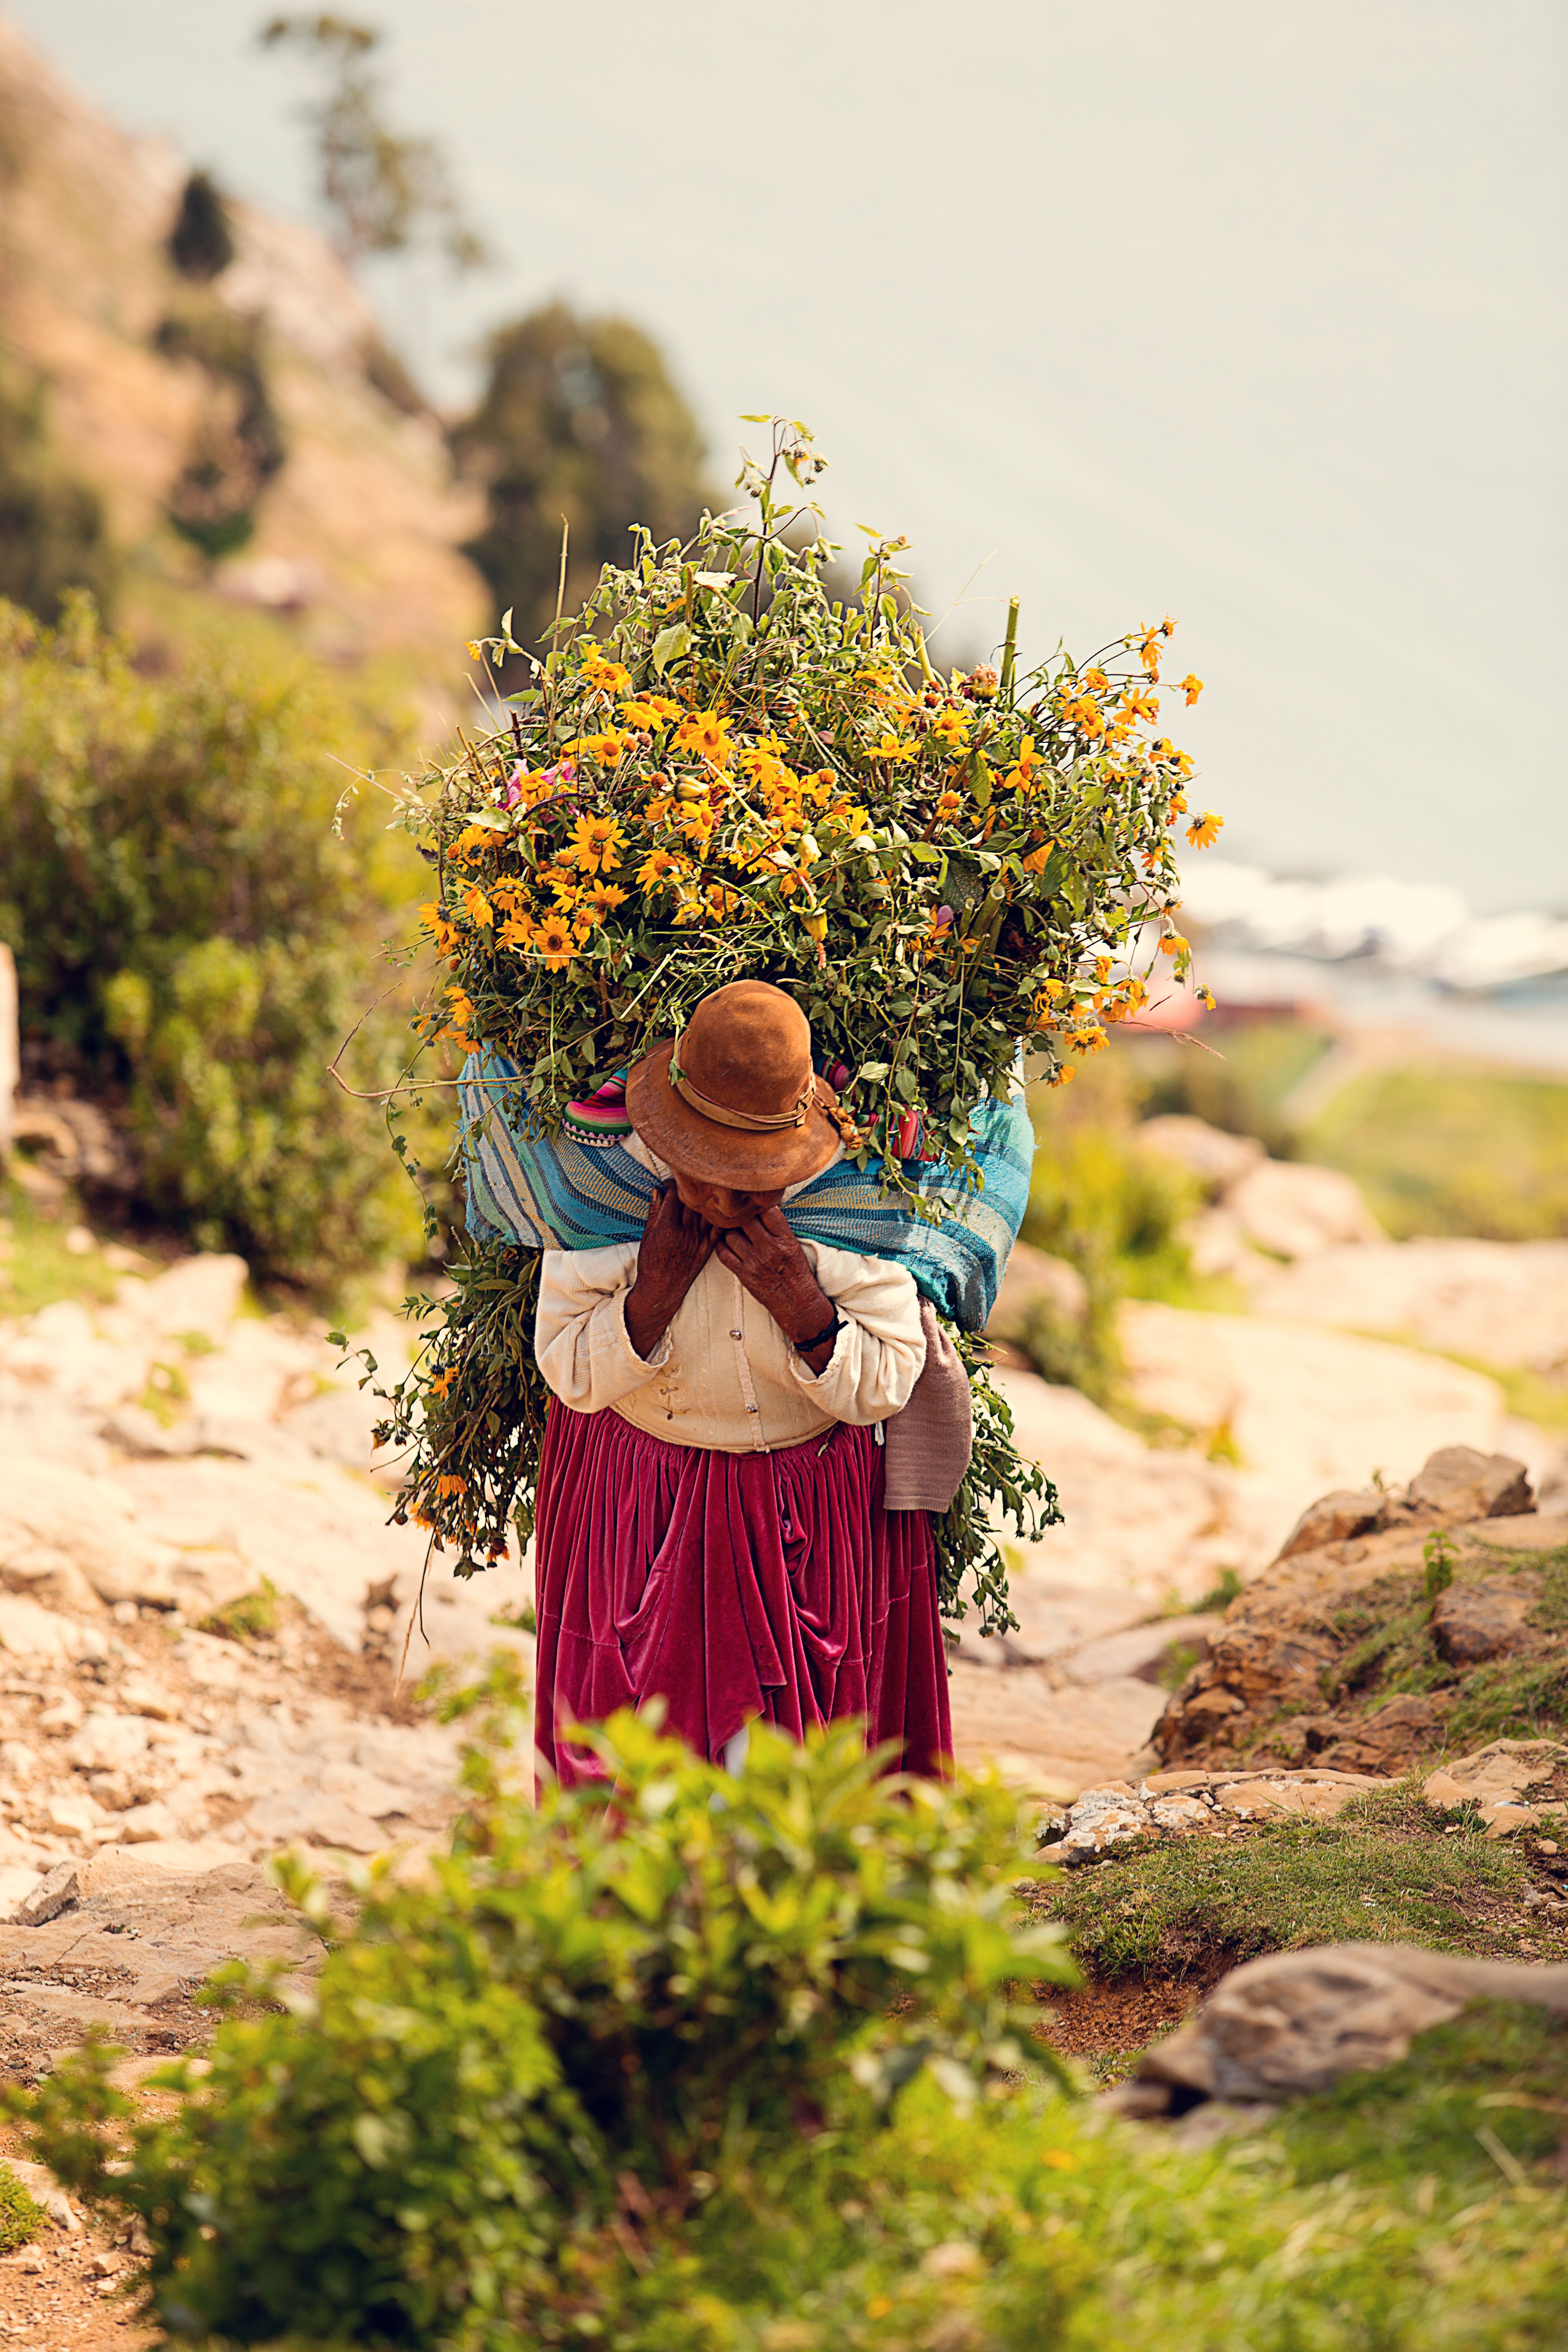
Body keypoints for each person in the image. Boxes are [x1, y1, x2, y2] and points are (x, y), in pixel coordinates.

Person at [530, 979, 953, 1786]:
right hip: (643, 1502)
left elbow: (888, 1382)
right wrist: (653, 1292)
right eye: (703, 1168)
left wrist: (804, 1309)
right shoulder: (607, 1191)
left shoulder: (853, 1200)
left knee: (793, 1781)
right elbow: (569, 1367)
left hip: (806, 1508)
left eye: (754, 1175)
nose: (725, 1198)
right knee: (639, 1773)